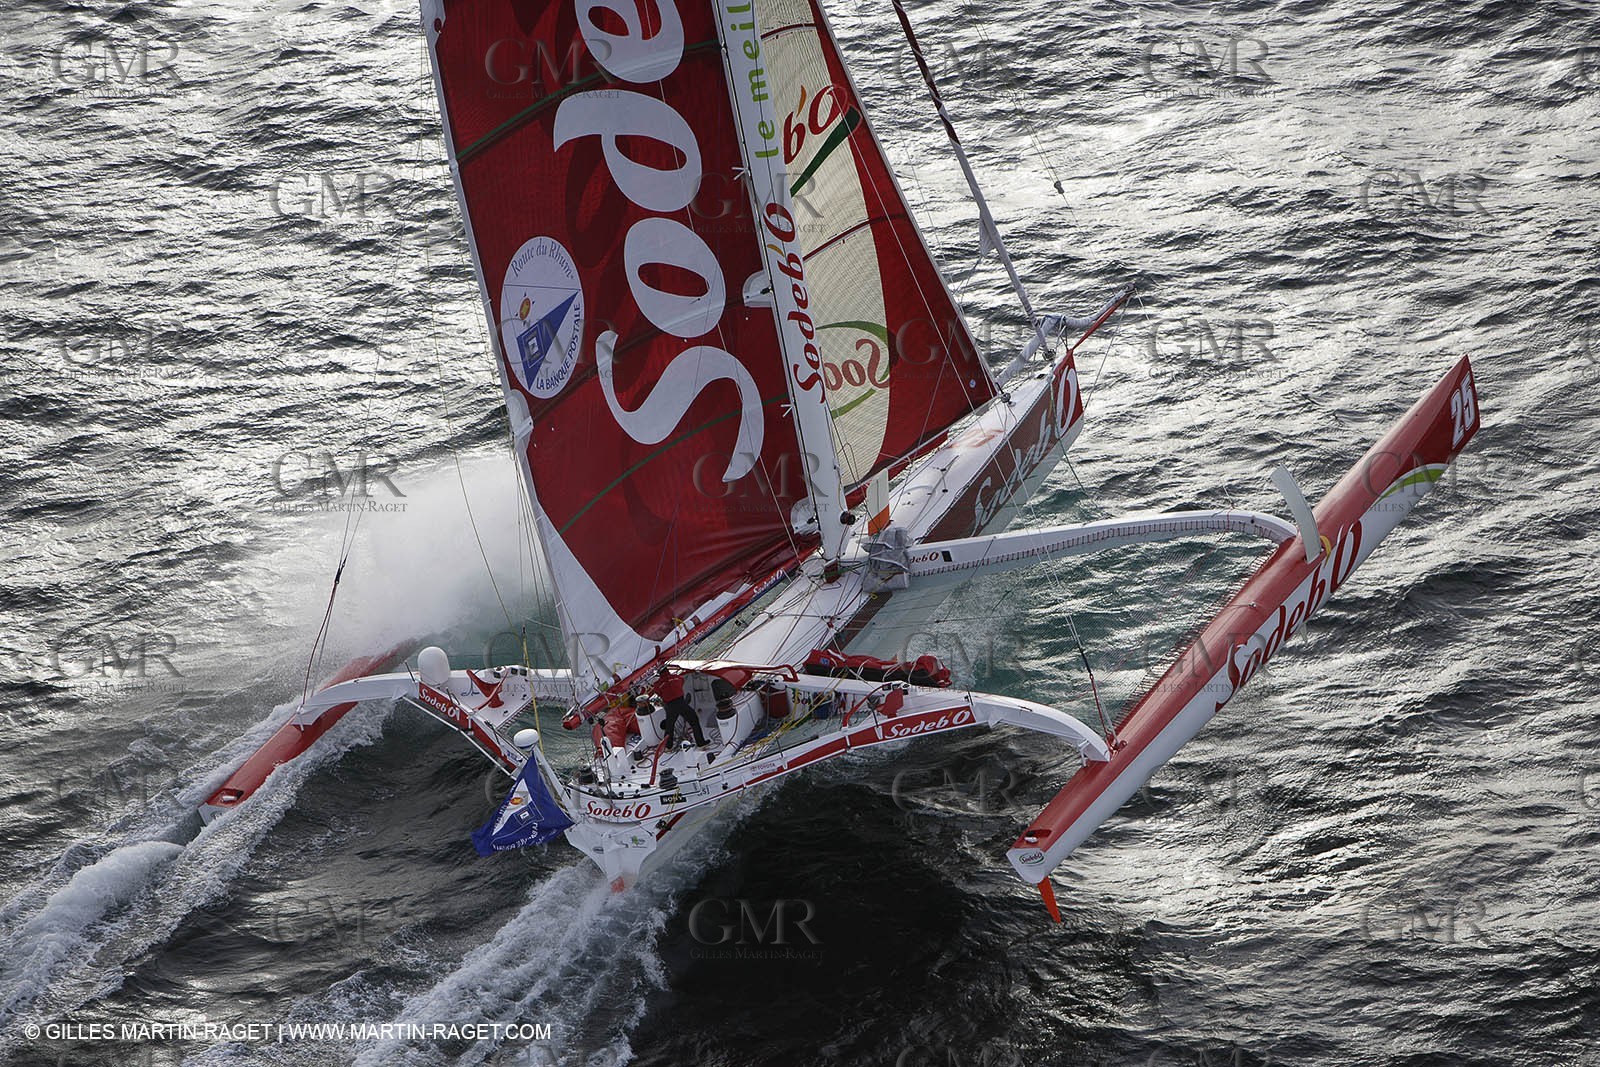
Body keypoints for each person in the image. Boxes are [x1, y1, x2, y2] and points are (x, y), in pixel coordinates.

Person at [654, 669, 709, 747]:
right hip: (681, 703)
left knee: (670, 726)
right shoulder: (677, 677)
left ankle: (668, 746)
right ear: (668, 671)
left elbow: (658, 692)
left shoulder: (657, 684)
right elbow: (681, 682)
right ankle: (701, 743)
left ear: (659, 674)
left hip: (670, 706)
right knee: (694, 721)